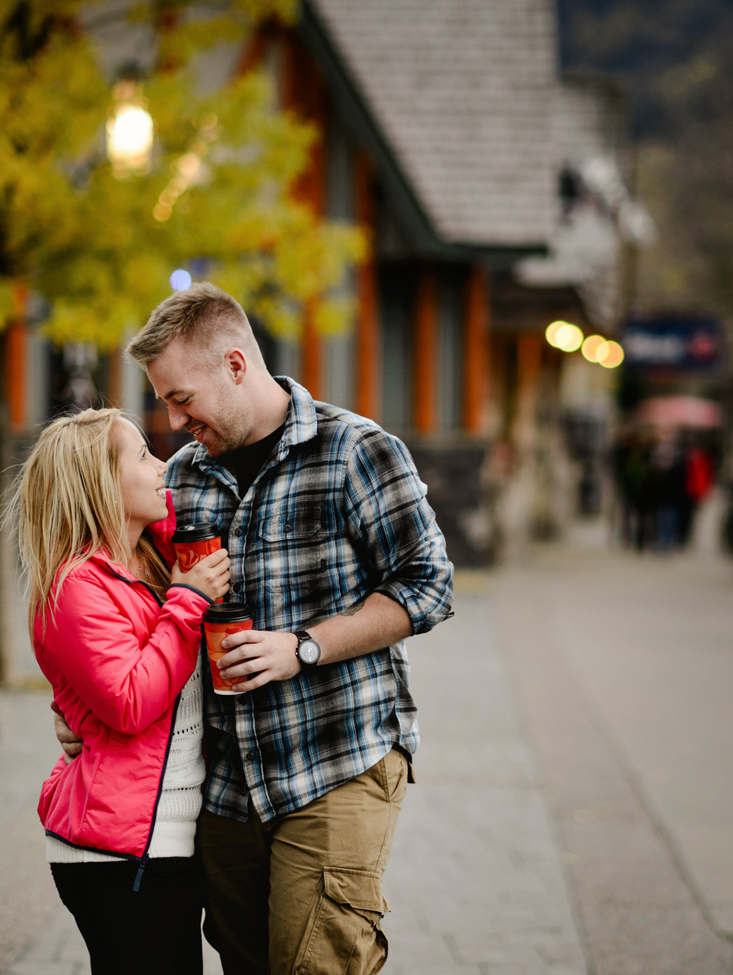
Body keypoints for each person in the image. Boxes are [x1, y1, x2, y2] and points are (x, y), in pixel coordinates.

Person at [55, 282, 454, 974]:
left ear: (236, 366)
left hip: (335, 759)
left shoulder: (357, 451)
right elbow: (135, 612)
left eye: (182, 398)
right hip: (226, 787)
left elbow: (430, 587)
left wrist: (303, 648)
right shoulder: (181, 478)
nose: (174, 420)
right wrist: (82, 706)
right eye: (164, 402)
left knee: (313, 965)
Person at [10, 407, 231, 974]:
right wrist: (188, 601)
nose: (164, 468)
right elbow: (130, 702)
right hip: (118, 850)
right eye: (143, 456)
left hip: (164, 839)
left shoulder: (149, 561)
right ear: (100, 483)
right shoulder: (75, 585)